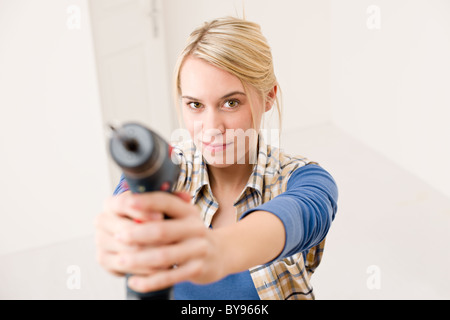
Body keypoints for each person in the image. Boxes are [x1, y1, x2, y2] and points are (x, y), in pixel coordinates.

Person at [95, 16, 338, 300]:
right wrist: (122, 229)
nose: (211, 128)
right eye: (195, 105)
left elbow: (298, 217)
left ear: (269, 96)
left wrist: (217, 252)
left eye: (231, 102)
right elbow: (125, 205)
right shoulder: (160, 175)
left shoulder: (308, 181)